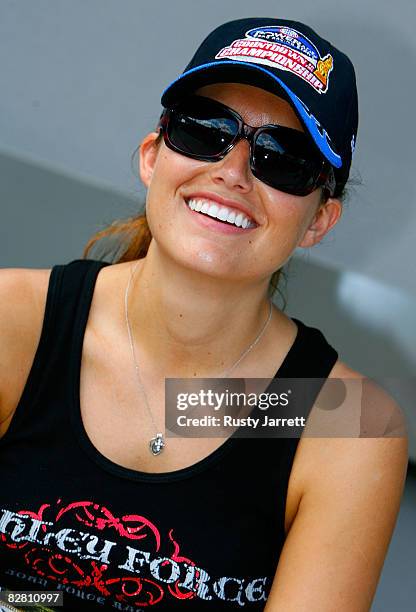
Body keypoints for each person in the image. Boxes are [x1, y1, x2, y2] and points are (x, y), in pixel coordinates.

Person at [0, 17, 408, 612]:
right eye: (204, 130)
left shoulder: (347, 423)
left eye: (284, 158)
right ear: (151, 156)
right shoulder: (14, 323)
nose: (233, 172)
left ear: (319, 220)